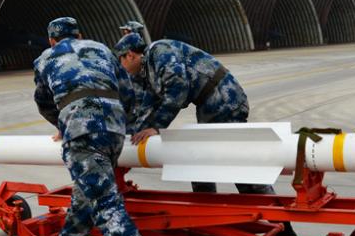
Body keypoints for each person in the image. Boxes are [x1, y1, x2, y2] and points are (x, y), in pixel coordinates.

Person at [33, 17, 163, 236]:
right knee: (85, 197)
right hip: (114, 130)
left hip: (82, 130)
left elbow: (43, 100)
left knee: (105, 203)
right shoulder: (102, 49)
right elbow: (128, 93)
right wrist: (117, 120)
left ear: (52, 40)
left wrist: (64, 122)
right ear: (80, 34)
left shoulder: (45, 57)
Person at [113, 32, 277, 197]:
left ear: (130, 55)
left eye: (121, 61)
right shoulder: (146, 71)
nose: (121, 68)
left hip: (224, 97)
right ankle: (207, 208)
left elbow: (178, 89)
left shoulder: (160, 52)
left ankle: (273, 212)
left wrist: (156, 127)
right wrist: (131, 134)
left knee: (234, 160)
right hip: (209, 104)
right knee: (201, 162)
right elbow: (145, 106)